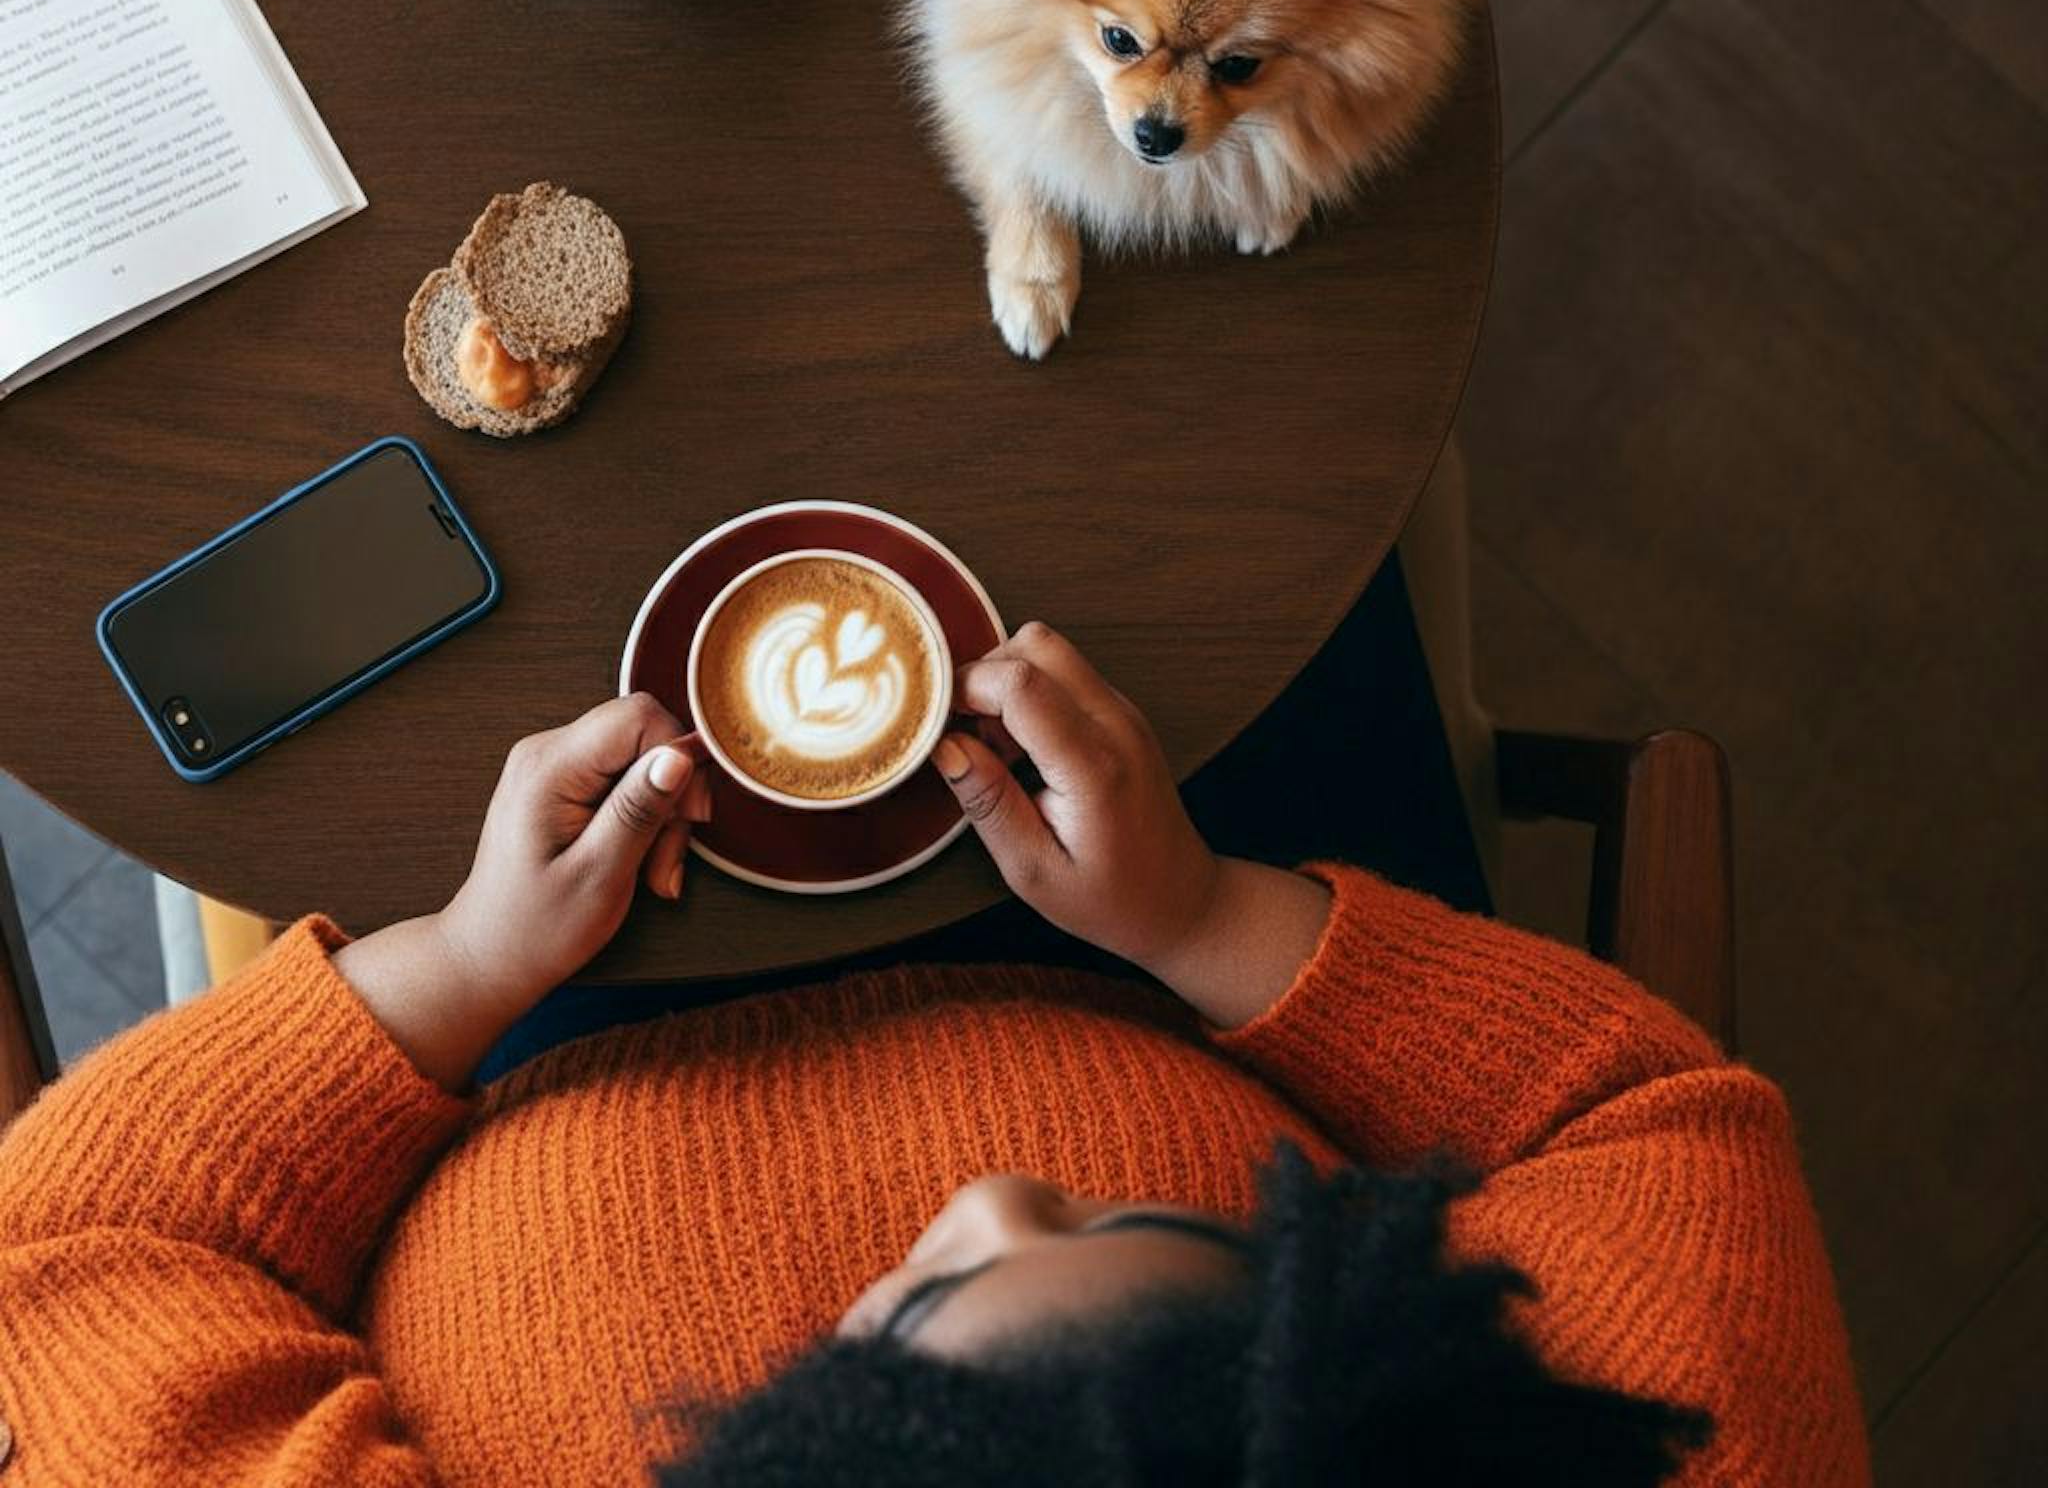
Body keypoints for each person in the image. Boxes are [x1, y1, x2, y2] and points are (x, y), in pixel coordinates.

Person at [0, 624, 1868, 1484]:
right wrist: (1205, 917)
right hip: (1202, 967)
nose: (974, 1194)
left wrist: (468, 963)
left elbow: (73, 1259)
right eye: (1202, 1241)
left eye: (892, 1322)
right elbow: (1642, 1131)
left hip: (493, 1055)